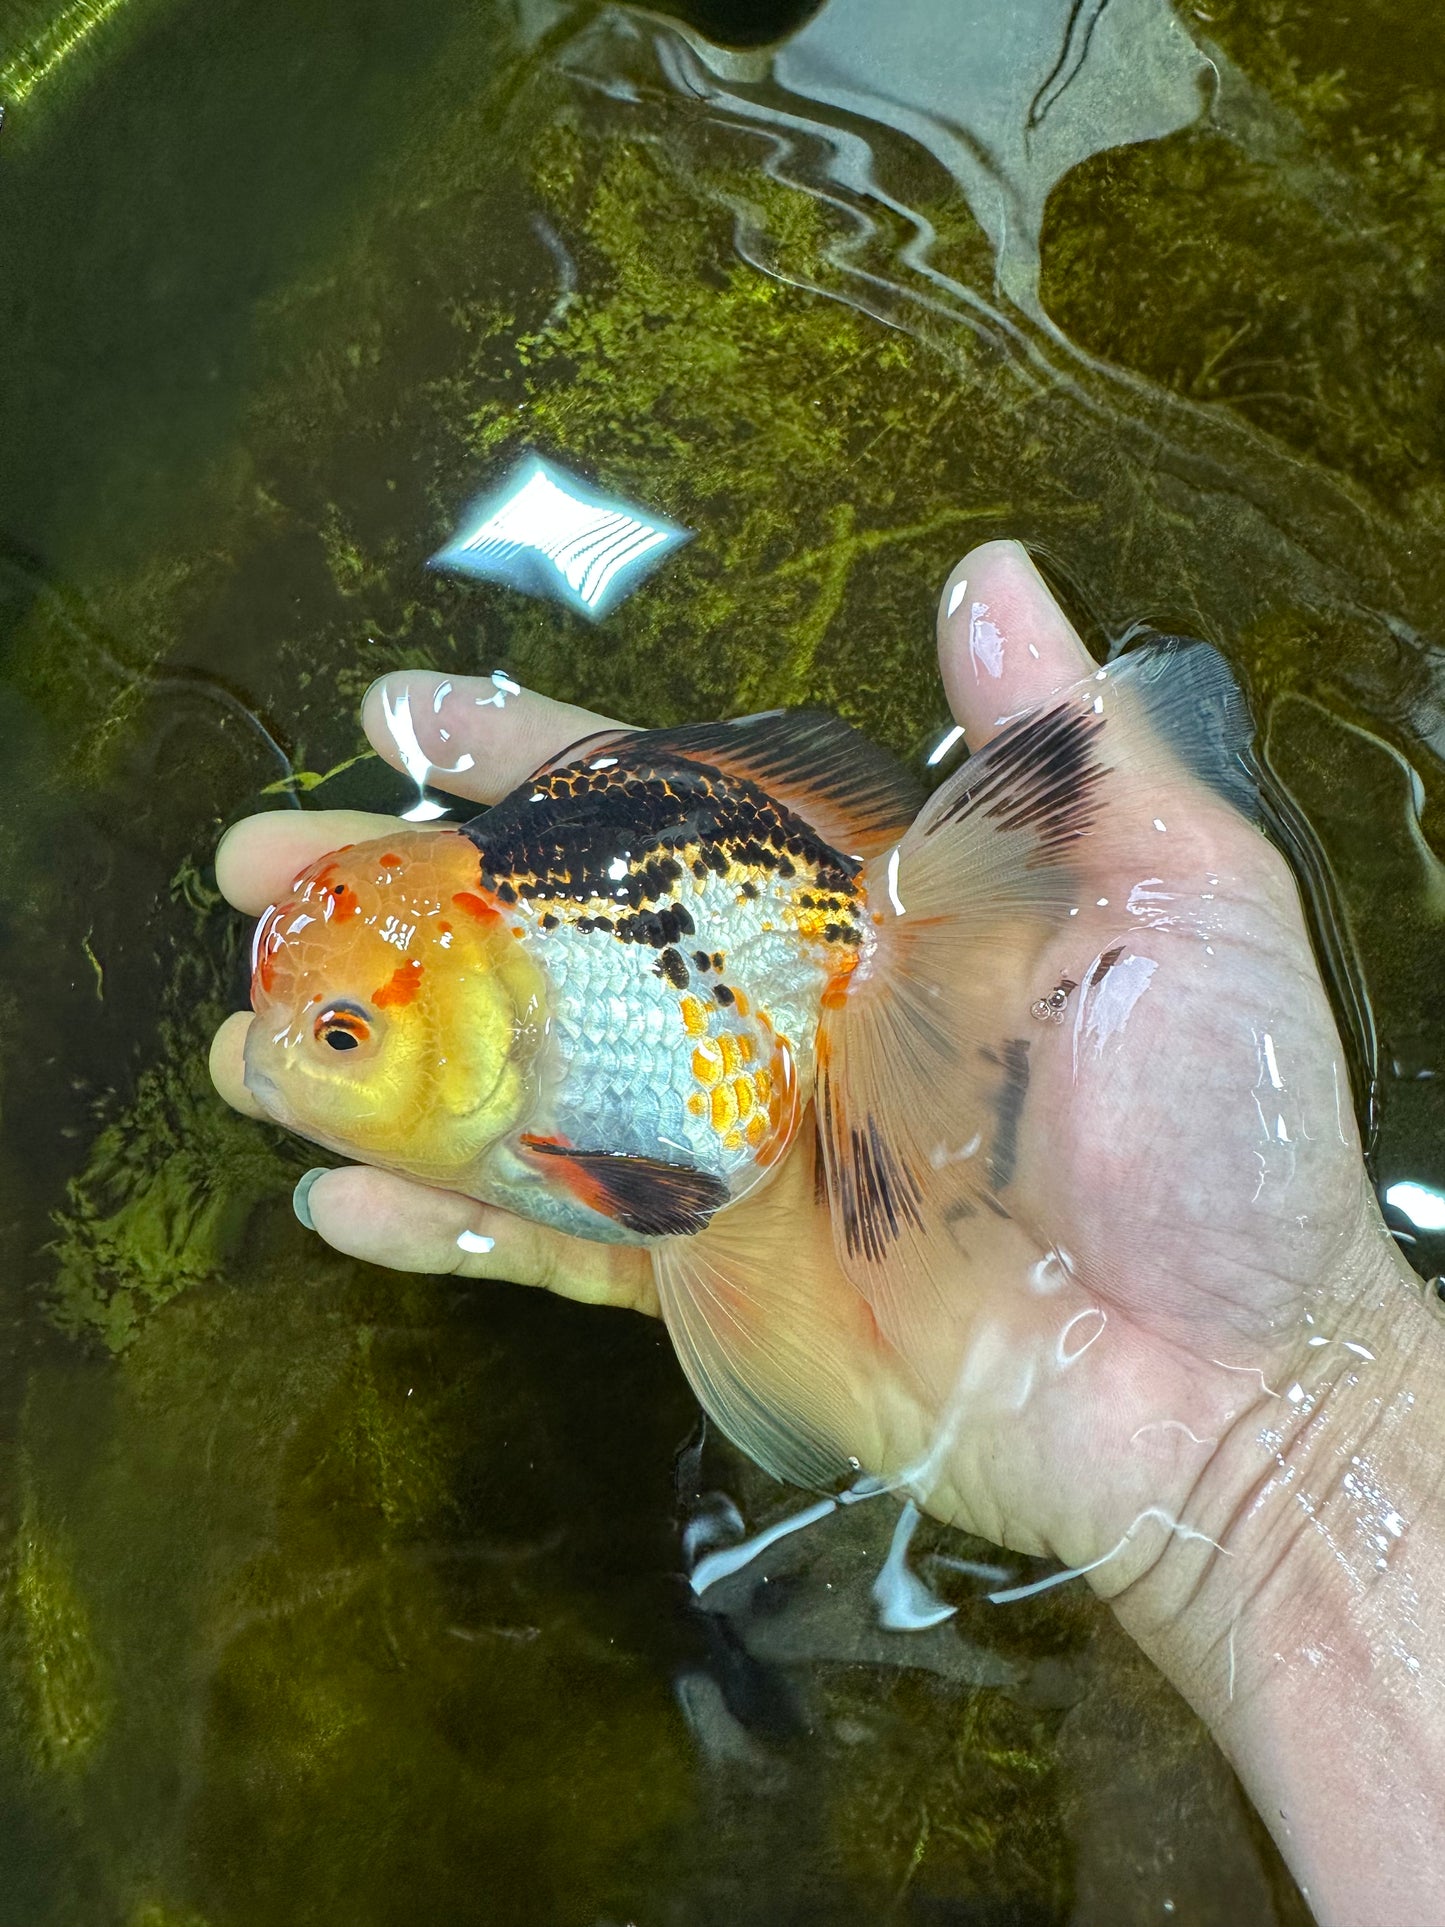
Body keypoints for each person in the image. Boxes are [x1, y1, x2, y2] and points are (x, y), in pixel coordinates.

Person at [209, 539, 1445, 1926]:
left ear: (466, 1026)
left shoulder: (617, 1071)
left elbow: (676, 1201)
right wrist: (1292, 1445)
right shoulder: (484, 1003)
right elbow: (679, 1207)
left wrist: (1288, 1432)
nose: (283, 1062)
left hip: (795, 969)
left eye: (336, 1037)